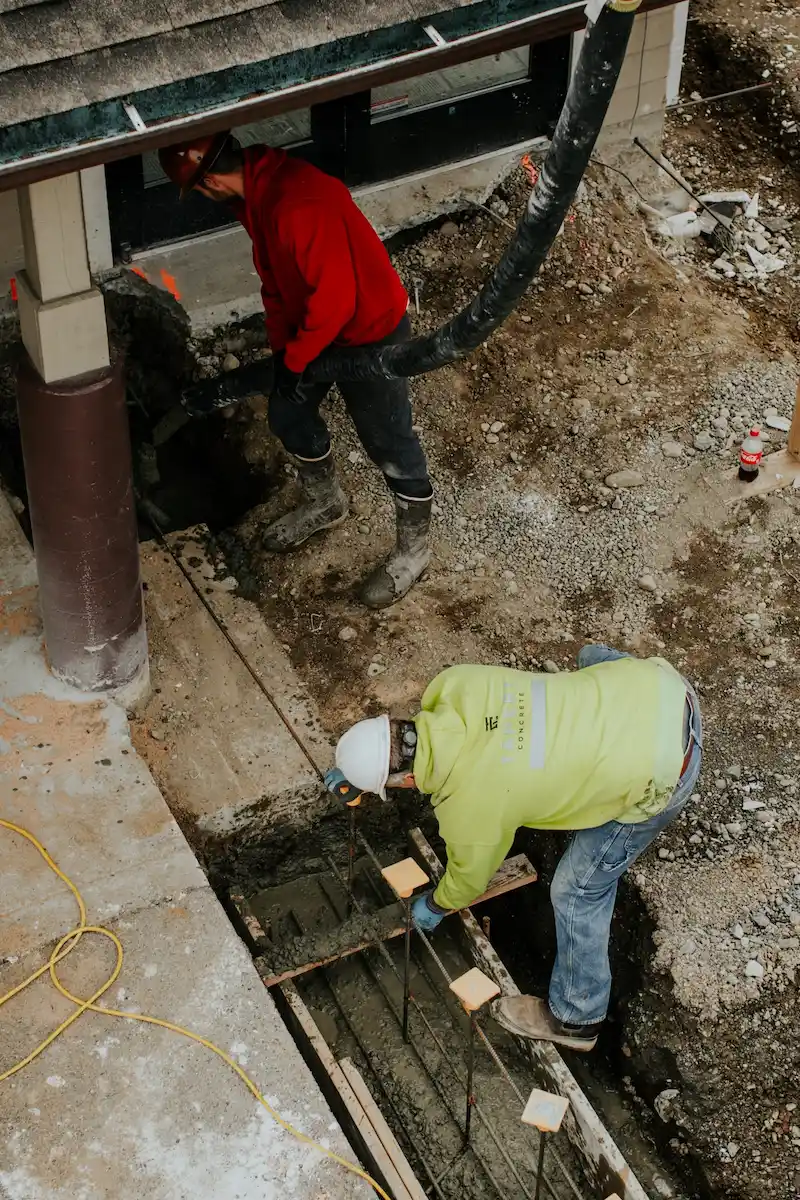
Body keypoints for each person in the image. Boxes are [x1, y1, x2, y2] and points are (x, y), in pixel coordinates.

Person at [325, 645, 703, 1052]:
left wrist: (435, 905)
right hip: (663, 689)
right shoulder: (456, 684)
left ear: (404, 782)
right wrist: (355, 769)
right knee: (590, 658)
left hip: (667, 768)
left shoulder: (470, 805)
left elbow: (468, 881)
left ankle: (577, 1019)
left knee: (576, 891)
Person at [158, 132, 432, 609]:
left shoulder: (297, 203)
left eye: (201, 190)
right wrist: (287, 355)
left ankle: (414, 551)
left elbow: (338, 300)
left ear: (211, 180)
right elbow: (279, 285)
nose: (205, 198)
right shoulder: (258, 201)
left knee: (388, 439)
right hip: (317, 331)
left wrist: (298, 357)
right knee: (288, 415)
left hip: (369, 332)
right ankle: (326, 503)